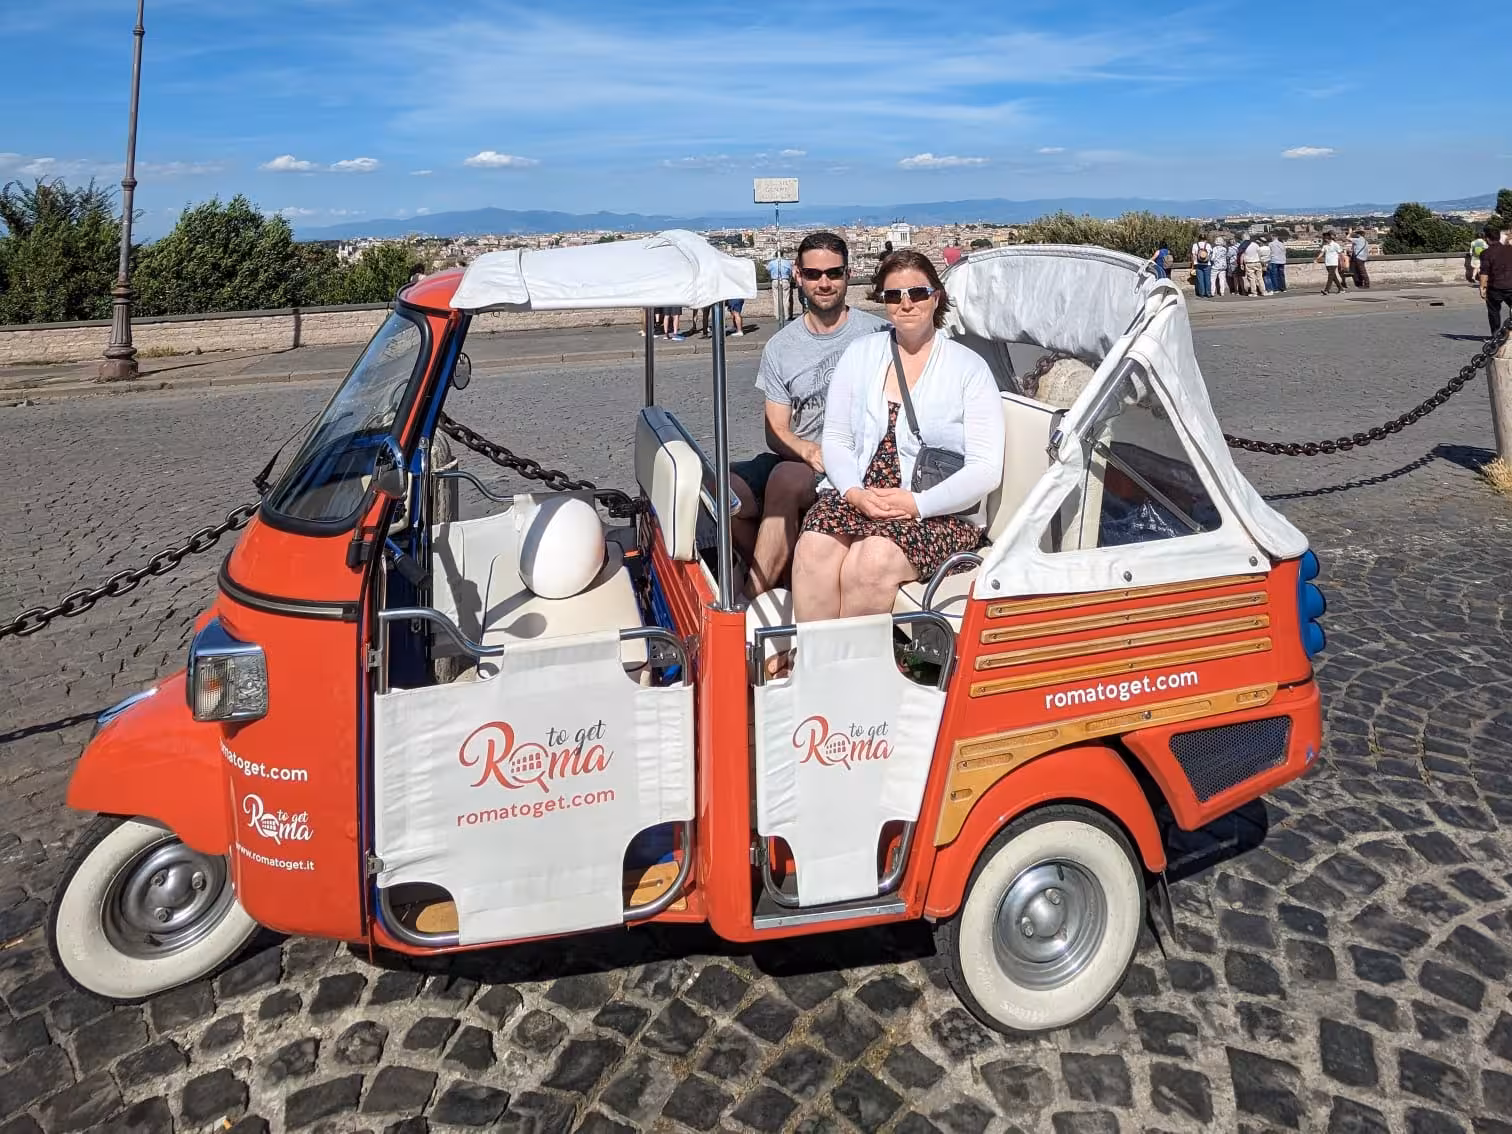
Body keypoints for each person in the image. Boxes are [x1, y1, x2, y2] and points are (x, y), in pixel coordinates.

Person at [789, 250, 1005, 627]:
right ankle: (815, 664)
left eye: (917, 293)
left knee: (871, 560)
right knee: (813, 547)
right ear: (883, 302)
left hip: (939, 510)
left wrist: (917, 503)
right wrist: (854, 492)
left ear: (936, 297)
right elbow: (837, 438)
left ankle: (852, 671)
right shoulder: (861, 355)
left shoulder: (969, 368)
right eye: (893, 296)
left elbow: (985, 469)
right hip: (863, 495)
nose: (906, 304)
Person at [730, 232, 889, 598]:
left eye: (833, 273)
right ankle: (779, 578)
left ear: (848, 275)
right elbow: (776, 430)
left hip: (853, 460)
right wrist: (809, 452)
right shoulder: (781, 347)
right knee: (721, 491)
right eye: (815, 274)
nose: (824, 283)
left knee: (785, 479)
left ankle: (750, 598)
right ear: (798, 276)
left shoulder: (877, 334)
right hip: (804, 454)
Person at [1478, 224, 1512, 337]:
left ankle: (1496, 335)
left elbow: (1484, 272)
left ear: (1487, 238)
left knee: (1493, 312)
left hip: (1495, 287)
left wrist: (1482, 287)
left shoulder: (1486, 254)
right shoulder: (1510, 249)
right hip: (1510, 284)